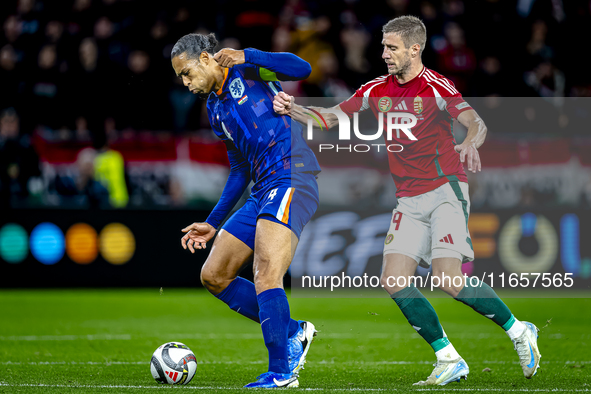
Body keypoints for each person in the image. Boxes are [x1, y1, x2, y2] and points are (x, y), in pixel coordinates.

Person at [273, 15, 541, 386]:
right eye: (383, 46)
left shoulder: (435, 86)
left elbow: (476, 122)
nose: (384, 53)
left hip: (445, 190)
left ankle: (519, 331)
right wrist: (293, 109)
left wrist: (468, 142)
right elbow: (331, 118)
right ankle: (448, 358)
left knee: (449, 279)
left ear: (415, 49)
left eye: (392, 47)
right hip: (408, 199)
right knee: (394, 280)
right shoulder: (374, 90)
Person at [172, 33, 320, 388]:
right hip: (262, 189)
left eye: (187, 73)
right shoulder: (215, 110)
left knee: (266, 272)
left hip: (291, 176)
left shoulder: (250, 71)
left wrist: (247, 54)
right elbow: (240, 169)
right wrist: (212, 223)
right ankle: (294, 332)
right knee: (214, 274)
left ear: (206, 58)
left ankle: (282, 372)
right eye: (180, 78)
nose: (185, 83)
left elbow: (303, 68)